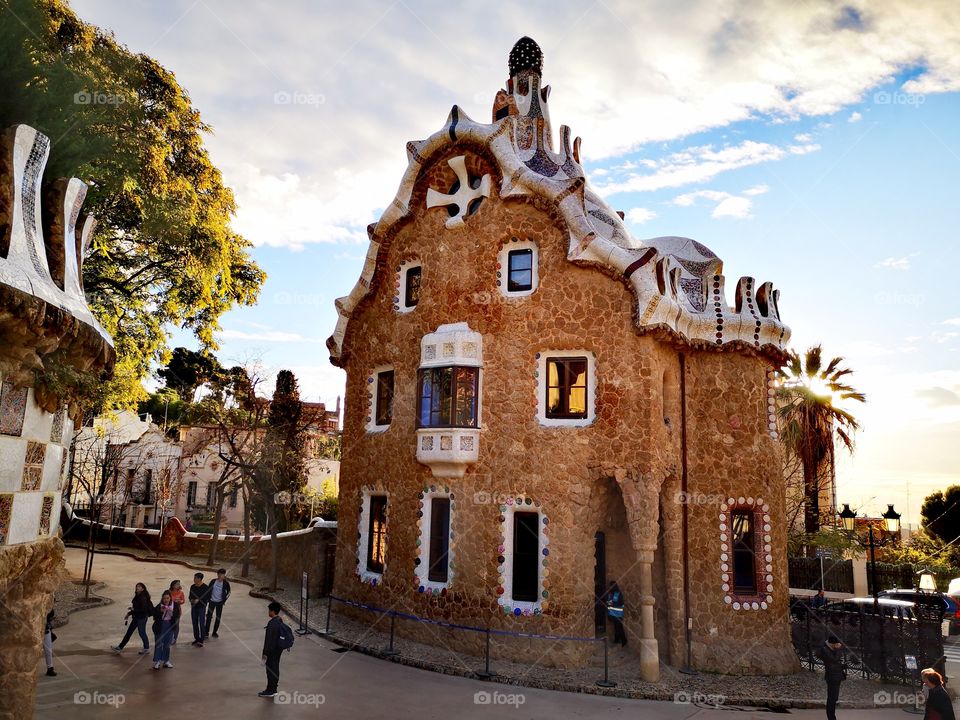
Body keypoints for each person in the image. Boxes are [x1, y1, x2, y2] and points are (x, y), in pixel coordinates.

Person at [112, 583, 153, 654]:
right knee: (129, 632)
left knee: (142, 633)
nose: (137, 588)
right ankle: (120, 648)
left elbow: (143, 609)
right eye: (137, 586)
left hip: (142, 618)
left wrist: (133, 610)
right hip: (136, 617)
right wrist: (129, 613)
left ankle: (146, 648)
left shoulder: (143, 597)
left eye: (139, 587)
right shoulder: (137, 596)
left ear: (143, 589)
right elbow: (136, 608)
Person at [259, 602, 286, 698]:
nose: (268, 612)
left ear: (272, 611)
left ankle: (271, 690)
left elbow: (268, 640)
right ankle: (272, 688)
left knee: (270, 670)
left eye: (269, 610)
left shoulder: (272, 624)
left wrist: (265, 653)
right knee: (275, 668)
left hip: (271, 650)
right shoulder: (279, 620)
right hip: (278, 649)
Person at [816, 635, 846, 720]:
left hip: (836, 676)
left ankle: (832, 717)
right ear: (832, 644)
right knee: (831, 699)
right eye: (836, 644)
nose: (838, 645)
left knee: (834, 698)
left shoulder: (831, 649)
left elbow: (836, 662)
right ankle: (831, 718)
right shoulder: (825, 650)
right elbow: (834, 659)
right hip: (832, 677)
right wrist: (838, 649)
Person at [151, 590, 181, 670]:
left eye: (167, 598)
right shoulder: (159, 606)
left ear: (170, 598)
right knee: (159, 644)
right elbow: (154, 616)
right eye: (164, 598)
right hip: (160, 626)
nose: (166, 600)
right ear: (162, 599)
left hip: (170, 626)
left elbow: (177, 615)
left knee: (167, 644)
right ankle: (157, 661)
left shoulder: (175, 605)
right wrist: (161, 612)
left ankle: (166, 661)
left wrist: (172, 612)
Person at [204, 569, 231, 639]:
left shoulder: (226, 583)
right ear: (217, 574)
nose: (220, 575)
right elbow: (208, 590)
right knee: (209, 617)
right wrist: (208, 599)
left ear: (224, 575)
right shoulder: (213, 581)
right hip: (212, 602)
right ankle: (206, 632)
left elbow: (229, 592)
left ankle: (214, 632)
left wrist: (224, 600)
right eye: (219, 574)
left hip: (219, 603)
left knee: (218, 618)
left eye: (222, 574)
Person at [189, 573, 210, 647]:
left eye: (195, 578)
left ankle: (201, 640)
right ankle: (197, 638)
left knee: (201, 623)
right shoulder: (192, 586)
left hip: (201, 607)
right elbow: (190, 596)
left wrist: (199, 600)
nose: (194, 579)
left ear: (199, 579)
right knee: (194, 623)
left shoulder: (205, 587)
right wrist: (192, 600)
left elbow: (207, 598)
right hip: (194, 607)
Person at [605, 581, 626, 647]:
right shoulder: (611, 594)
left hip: (617, 614)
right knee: (617, 627)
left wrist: (611, 603)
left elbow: (620, 603)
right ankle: (621, 640)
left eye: (611, 586)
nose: (610, 587)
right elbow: (609, 603)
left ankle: (620, 640)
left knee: (618, 627)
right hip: (614, 614)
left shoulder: (617, 594)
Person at [169, 580, 186, 645]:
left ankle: (174, 639)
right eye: (177, 584)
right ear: (173, 585)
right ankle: (169, 637)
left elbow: (183, 601)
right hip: (169, 611)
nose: (178, 585)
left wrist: (179, 601)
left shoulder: (181, 593)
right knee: (169, 625)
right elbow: (165, 599)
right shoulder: (169, 592)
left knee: (176, 625)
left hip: (177, 611)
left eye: (179, 584)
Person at [43, 609, 57, 676]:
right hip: (38, 629)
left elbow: (52, 613)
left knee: (48, 650)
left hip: (46, 630)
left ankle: (50, 668)